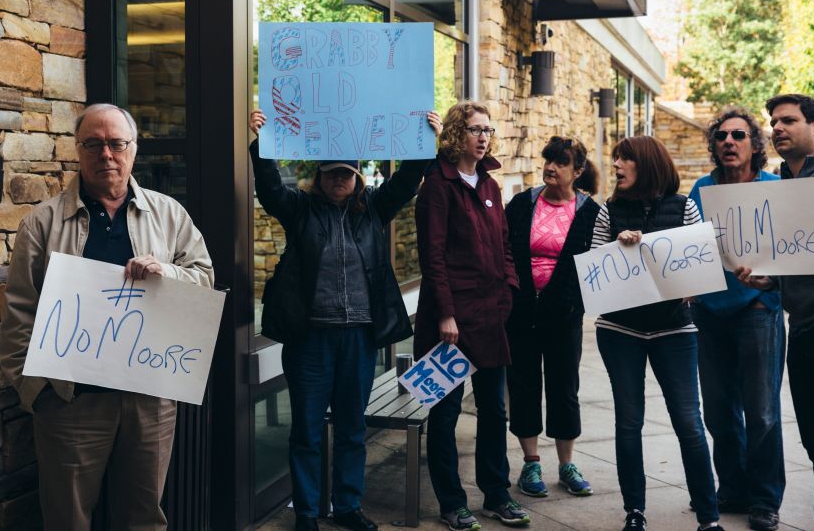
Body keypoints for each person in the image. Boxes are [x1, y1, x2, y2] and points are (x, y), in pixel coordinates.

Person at [0, 104, 214, 530]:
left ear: (133, 150)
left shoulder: (169, 215)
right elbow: (20, 313)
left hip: (149, 401)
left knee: (143, 518)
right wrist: (36, 393)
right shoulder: (41, 224)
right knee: (68, 519)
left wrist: (165, 272)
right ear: (78, 151)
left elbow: (204, 279)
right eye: (93, 144)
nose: (106, 154)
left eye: (117, 143)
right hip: (70, 403)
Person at [249, 108, 442, 531]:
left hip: (358, 337)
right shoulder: (299, 211)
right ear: (319, 176)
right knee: (307, 430)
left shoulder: (373, 210)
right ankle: (306, 512)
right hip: (310, 340)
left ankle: (348, 506)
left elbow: (408, 181)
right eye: (331, 173)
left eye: (346, 174)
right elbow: (269, 189)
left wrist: (425, 138)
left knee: (353, 428)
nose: (339, 180)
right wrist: (261, 145)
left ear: (358, 177)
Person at [591, 136, 723, 531]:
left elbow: (701, 269)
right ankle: (635, 512)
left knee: (688, 421)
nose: (615, 164)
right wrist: (619, 248)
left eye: (623, 158)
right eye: (615, 158)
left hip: (675, 330)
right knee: (629, 422)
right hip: (619, 330)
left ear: (645, 164)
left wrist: (687, 281)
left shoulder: (685, 207)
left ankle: (708, 517)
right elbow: (595, 275)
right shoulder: (608, 211)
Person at [414, 101, 526, 530]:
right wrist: (445, 314)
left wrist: (509, 287)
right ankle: (451, 502)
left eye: (488, 130)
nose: (484, 137)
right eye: (476, 129)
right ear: (457, 134)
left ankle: (497, 494)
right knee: (445, 414)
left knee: (495, 411)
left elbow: (506, 244)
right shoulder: (438, 186)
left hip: (490, 315)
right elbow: (433, 257)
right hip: (450, 322)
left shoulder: (490, 186)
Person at [736, 94, 814, 531]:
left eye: (788, 120)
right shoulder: (784, 182)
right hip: (805, 330)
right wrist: (770, 279)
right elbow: (802, 256)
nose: (776, 128)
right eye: (773, 121)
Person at [687, 108, 784, 531]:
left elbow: (796, 250)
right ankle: (733, 489)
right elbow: (688, 243)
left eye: (739, 135)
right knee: (718, 411)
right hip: (710, 312)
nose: (729, 141)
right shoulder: (702, 188)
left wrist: (771, 291)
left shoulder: (776, 188)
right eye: (722, 136)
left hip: (758, 310)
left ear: (754, 145)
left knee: (761, 412)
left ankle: (765, 500)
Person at [504, 136, 600, 501]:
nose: (550, 168)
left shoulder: (590, 211)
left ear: (577, 171)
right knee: (524, 384)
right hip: (521, 313)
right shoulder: (521, 204)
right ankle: (531, 462)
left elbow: (601, 257)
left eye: (560, 163)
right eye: (548, 160)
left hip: (565, 317)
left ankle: (567, 465)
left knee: (564, 387)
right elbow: (504, 250)